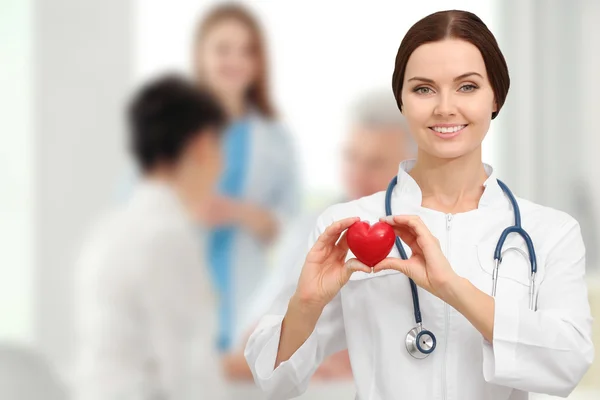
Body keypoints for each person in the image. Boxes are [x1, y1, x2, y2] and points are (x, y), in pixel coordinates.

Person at [244, 10, 594, 400]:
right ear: (403, 101)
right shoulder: (347, 226)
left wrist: (453, 288)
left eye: (467, 87)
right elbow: (272, 380)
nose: (445, 107)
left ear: (496, 96)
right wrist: (306, 303)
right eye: (424, 89)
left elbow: (569, 364)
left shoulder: (548, 232)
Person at [233, 89, 416, 382]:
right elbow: (254, 336)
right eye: (350, 156)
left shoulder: (428, 235)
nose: (357, 173)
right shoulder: (315, 227)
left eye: (375, 162)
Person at [73, 75, 226, 400]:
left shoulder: (109, 229)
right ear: (201, 146)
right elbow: (186, 373)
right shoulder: (167, 236)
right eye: (218, 147)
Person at [192, 3, 300, 374]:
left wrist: (241, 213)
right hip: (183, 288)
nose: (235, 60)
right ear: (201, 56)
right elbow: (138, 210)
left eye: (247, 51)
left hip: (246, 291)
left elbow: (291, 230)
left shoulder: (276, 139)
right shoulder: (172, 132)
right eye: (223, 49)